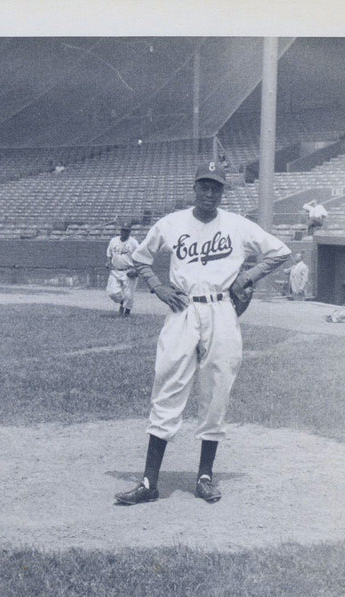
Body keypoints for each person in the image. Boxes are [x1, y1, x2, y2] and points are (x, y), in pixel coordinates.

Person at [114, 161, 291, 505]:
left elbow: (280, 252)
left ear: (222, 191)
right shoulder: (173, 222)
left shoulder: (237, 225)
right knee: (167, 385)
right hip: (183, 310)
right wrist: (157, 287)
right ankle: (149, 482)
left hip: (222, 310)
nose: (209, 193)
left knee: (216, 390)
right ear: (194, 187)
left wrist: (247, 277)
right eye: (204, 186)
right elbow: (139, 257)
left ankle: (205, 477)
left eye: (216, 187)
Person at [105, 220, 140, 317]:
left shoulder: (134, 243)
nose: (125, 232)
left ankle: (127, 312)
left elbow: (140, 256)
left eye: (127, 231)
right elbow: (109, 253)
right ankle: (122, 302)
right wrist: (108, 262)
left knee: (129, 295)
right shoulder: (113, 241)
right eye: (123, 230)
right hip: (115, 270)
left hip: (129, 270)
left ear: (130, 232)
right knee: (112, 293)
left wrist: (136, 270)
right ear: (120, 230)